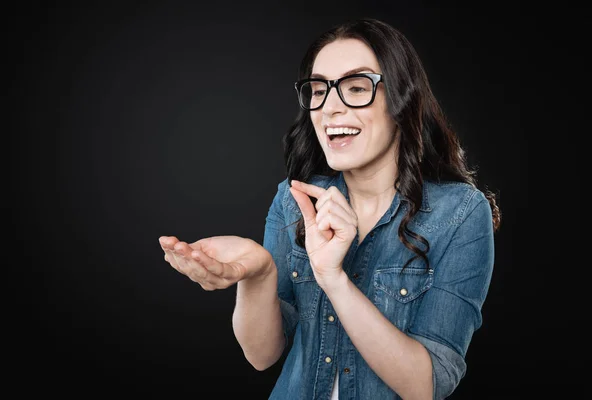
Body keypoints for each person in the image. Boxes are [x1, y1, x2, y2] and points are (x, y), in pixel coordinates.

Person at [158, 17, 501, 400]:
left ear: (402, 99)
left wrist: (333, 277)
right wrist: (258, 274)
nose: (331, 108)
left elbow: (426, 385)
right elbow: (261, 355)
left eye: (356, 88)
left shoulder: (461, 213)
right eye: (319, 90)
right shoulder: (294, 200)